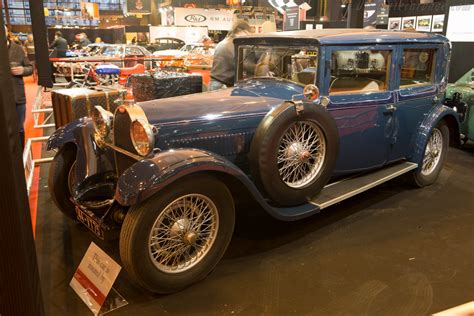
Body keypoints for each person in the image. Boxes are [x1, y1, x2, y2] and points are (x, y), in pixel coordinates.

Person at [6, 26, 33, 148]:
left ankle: (20, 157)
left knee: (19, 128)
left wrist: (23, 70)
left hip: (18, 96)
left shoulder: (18, 49)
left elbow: (29, 68)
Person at [209, 20, 251, 91]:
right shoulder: (235, 45)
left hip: (215, 82)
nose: (247, 36)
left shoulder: (224, 42)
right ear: (242, 31)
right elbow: (242, 64)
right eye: (247, 33)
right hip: (222, 85)